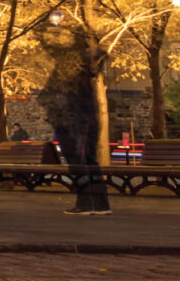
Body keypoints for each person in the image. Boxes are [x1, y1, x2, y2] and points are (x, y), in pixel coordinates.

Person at [37, 16, 110, 216]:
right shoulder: (93, 59)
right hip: (89, 112)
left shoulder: (69, 58)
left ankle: (85, 203)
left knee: (76, 159)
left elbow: (43, 38)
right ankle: (101, 204)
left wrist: (53, 21)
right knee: (89, 158)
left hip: (71, 114)